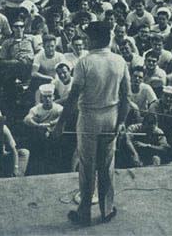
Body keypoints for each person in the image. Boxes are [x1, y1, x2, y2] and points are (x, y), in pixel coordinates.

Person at [54, 20, 130, 226]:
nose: (86, 41)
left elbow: (73, 97)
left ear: (95, 39)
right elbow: (127, 97)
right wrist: (121, 122)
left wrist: (60, 123)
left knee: (87, 165)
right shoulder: (120, 61)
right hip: (111, 117)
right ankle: (106, 210)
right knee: (107, 165)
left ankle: (84, 213)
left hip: (89, 119)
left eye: (88, 38)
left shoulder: (84, 63)